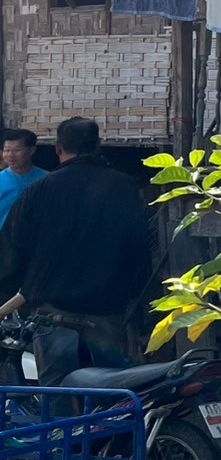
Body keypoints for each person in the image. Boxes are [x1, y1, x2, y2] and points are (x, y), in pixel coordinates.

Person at [0, 117, 151, 368]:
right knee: (109, 388)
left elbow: (13, 249)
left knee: (57, 389)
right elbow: (139, 245)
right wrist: (131, 293)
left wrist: (18, 291)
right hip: (106, 308)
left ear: (58, 149)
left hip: (53, 310)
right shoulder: (122, 187)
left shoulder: (41, 189)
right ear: (98, 145)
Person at [0, 129, 46, 230]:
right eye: (7, 150)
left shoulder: (47, 179)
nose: (11, 155)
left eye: (17, 150)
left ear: (32, 150)